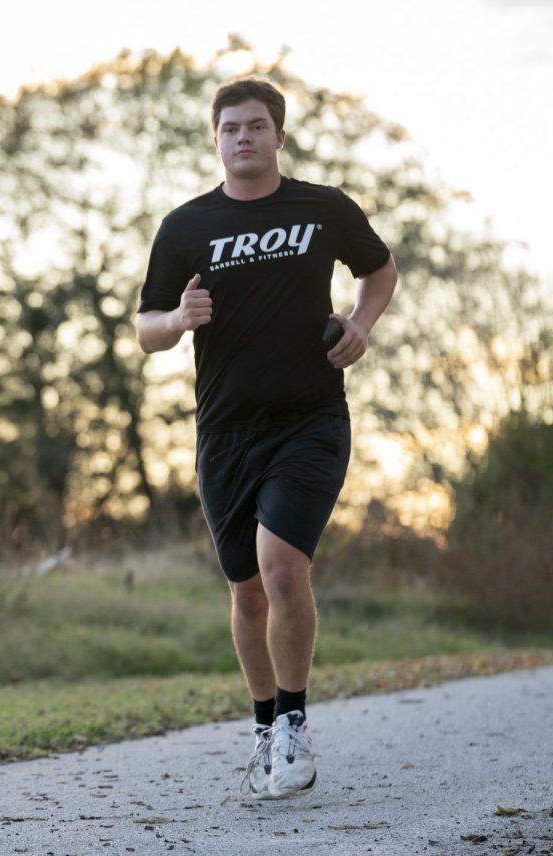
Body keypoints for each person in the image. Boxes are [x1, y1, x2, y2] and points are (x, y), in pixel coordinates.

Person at [135, 77, 398, 799]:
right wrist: (178, 320)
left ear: (280, 136)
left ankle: (294, 727)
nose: (243, 138)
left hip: (310, 418)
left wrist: (361, 325)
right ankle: (262, 728)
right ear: (214, 139)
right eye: (230, 129)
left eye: (256, 126)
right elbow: (144, 330)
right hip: (224, 431)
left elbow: (379, 270)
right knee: (247, 592)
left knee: (282, 568)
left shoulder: (323, 208)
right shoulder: (186, 226)